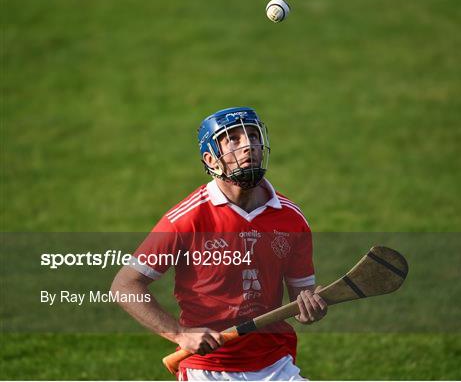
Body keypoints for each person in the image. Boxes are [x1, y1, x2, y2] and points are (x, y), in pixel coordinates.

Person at [111, 107, 327, 381]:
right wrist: (179, 334)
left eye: (253, 136)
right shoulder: (186, 219)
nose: (248, 145)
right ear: (211, 159)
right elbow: (124, 284)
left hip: (276, 364)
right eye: (233, 139)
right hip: (209, 369)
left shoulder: (291, 218)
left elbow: (301, 301)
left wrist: (309, 309)